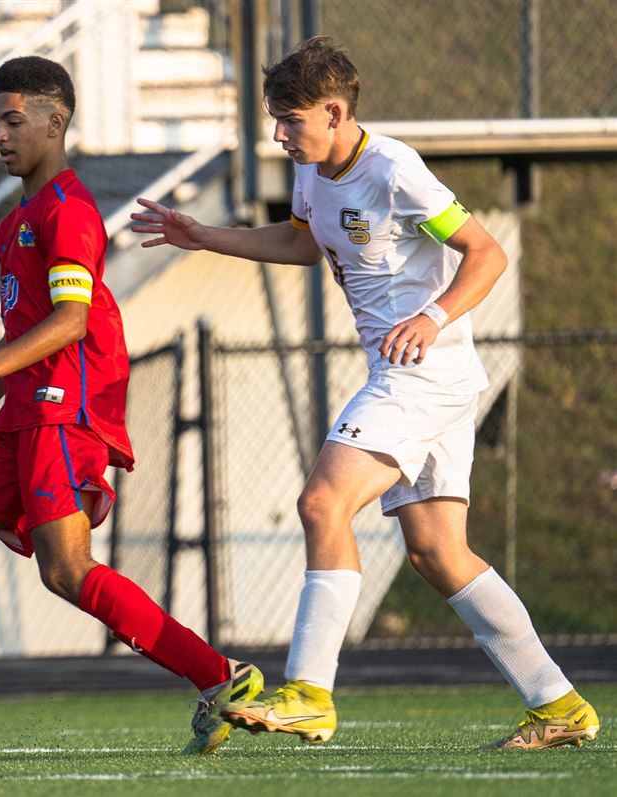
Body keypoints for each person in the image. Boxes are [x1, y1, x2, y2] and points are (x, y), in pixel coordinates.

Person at [130, 37, 599, 751]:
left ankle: (310, 690)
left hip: (424, 371)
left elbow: (487, 252)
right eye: (275, 120)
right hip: (415, 377)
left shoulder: (394, 170)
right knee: (440, 553)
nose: (279, 135)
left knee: (322, 502)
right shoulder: (314, 173)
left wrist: (431, 316)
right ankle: (559, 704)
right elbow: (301, 244)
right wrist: (205, 236)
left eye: (289, 120)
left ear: (334, 110)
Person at [0, 55, 262, 757]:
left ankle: (219, 676)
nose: (1, 136)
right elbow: (29, 343)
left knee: (65, 570)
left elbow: (69, 322)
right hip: (20, 422)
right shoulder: (18, 225)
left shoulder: (69, 211)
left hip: (66, 416)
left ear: (54, 121)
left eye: (13, 121)